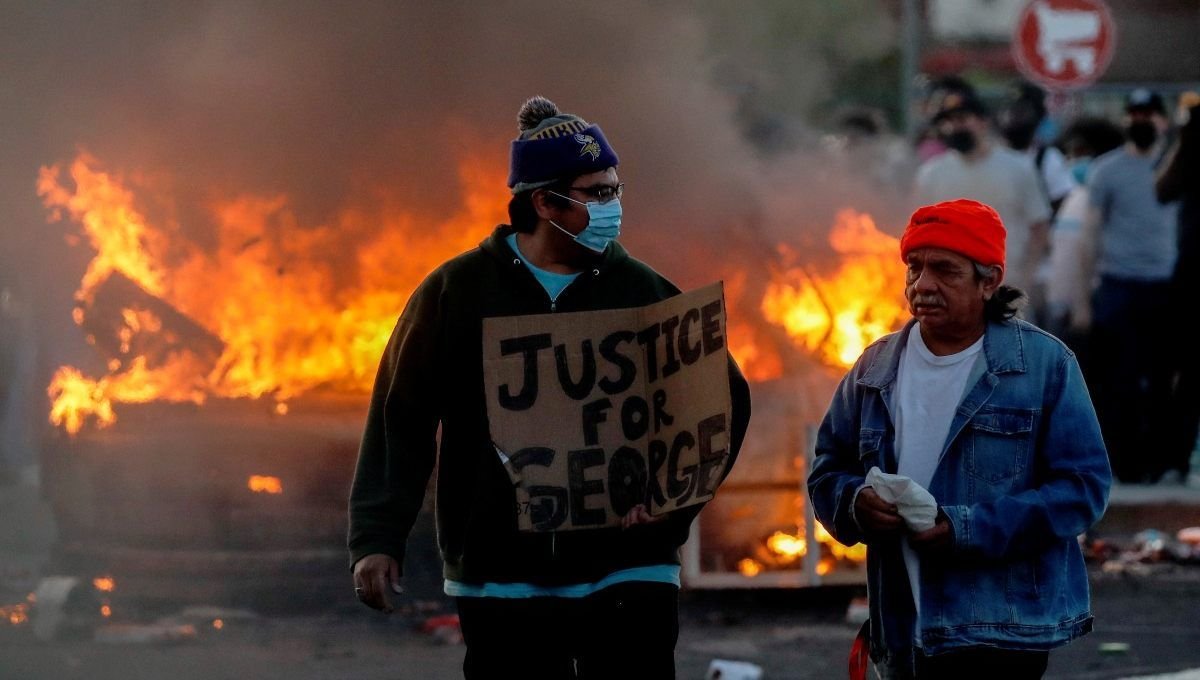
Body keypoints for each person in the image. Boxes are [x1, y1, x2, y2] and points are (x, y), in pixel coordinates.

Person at [347, 95, 752, 679]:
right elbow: (400, 418)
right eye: (596, 193)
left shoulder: (643, 292)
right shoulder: (456, 292)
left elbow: (721, 400)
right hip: (500, 572)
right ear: (544, 202)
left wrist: (670, 505)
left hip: (628, 569)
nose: (614, 205)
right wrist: (376, 536)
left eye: (615, 188)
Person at [808, 199, 1111, 679]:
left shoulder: (1044, 365)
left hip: (1001, 631)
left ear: (989, 282)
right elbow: (827, 469)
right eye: (914, 268)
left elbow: (1082, 490)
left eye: (944, 271)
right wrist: (854, 503)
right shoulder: (874, 368)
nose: (922, 285)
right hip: (903, 632)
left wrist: (966, 529)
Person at [1076, 89, 1179, 484]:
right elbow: (1089, 235)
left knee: (1160, 379)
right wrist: (1084, 299)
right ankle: (1118, 463)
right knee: (1117, 379)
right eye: (1135, 113)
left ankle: (1159, 463)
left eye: (1150, 114)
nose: (1142, 120)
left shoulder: (1178, 168)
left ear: (1163, 121)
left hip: (1165, 287)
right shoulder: (1107, 171)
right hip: (1118, 286)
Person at [914, 91, 1052, 313]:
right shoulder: (931, 174)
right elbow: (919, 236)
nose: (953, 127)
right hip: (949, 297)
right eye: (947, 122)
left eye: (961, 120)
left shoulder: (1018, 168)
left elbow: (1040, 228)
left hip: (1007, 291)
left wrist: (1024, 282)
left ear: (983, 122)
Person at [1041, 117, 1125, 347]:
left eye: (1080, 151)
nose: (1073, 160)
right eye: (1069, 153)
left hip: (1090, 310)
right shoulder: (1075, 197)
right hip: (1060, 307)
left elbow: (1088, 252)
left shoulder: (1109, 202)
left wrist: (1082, 306)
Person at [1158, 92, 1200, 484]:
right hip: (1190, 276)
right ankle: (1179, 459)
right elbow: (1163, 188)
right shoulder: (1188, 157)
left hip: (1189, 273)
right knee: (1187, 373)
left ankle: (1180, 459)